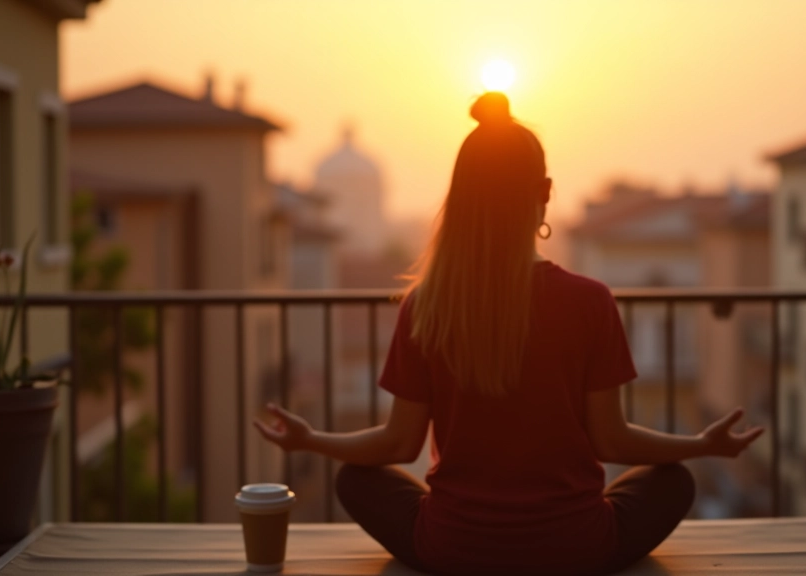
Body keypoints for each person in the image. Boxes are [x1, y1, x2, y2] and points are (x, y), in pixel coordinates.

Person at [254, 92, 764, 576]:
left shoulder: (427, 306)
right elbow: (612, 440)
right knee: (673, 480)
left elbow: (397, 443)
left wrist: (313, 440)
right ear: (544, 193)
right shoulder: (590, 301)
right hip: (576, 550)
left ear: (462, 198)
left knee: (354, 478)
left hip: (454, 551)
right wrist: (699, 445)